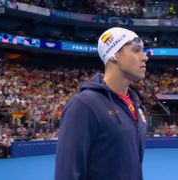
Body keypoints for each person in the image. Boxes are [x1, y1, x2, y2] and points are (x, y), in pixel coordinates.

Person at [55, 27, 149, 180]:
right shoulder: (84, 105)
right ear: (113, 56)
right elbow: (67, 173)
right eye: (136, 50)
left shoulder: (136, 104)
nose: (145, 57)